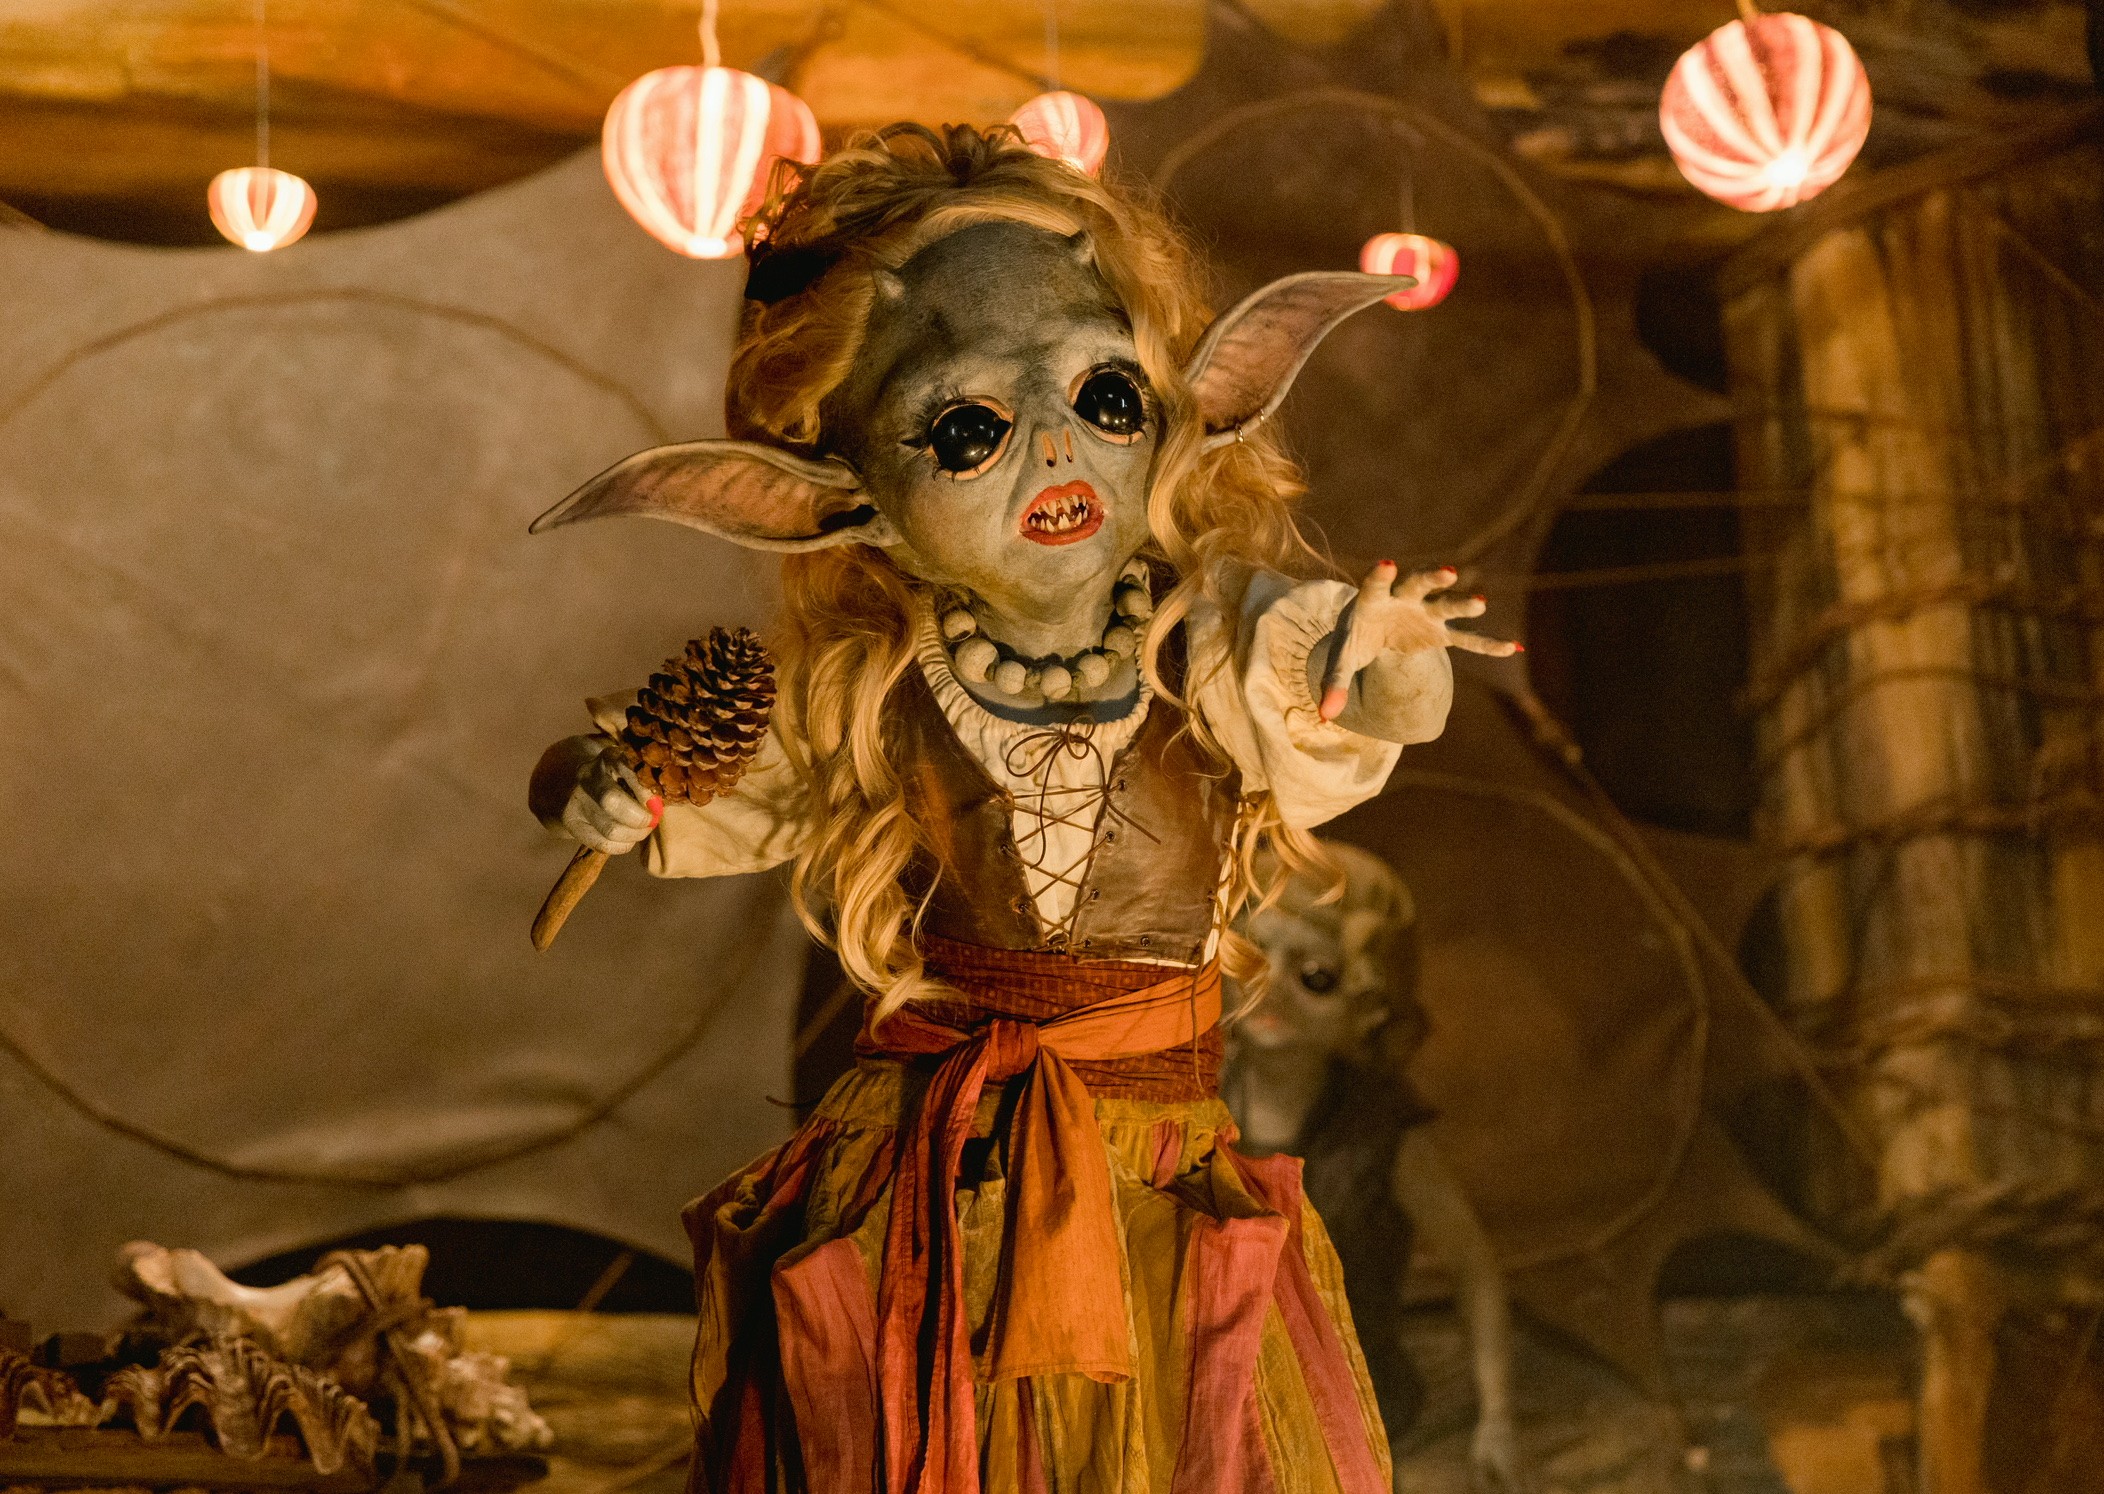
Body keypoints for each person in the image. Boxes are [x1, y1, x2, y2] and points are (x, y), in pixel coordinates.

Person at [527, 122, 1514, 1494]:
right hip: (930, 1208)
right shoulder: (863, 692)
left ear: (1189, 409)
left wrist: (1396, 662)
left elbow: (1368, 705)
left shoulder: (1224, 647)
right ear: (839, 499)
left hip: (1161, 1196)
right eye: (968, 427)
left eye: (1104, 395)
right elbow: (658, 792)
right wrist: (598, 791)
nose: (1055, 446)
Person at [1228, 842, 1523, 1492]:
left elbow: (1474, 1269)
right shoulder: (1196, 1099)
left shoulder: (1381, 1131)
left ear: (1370, 998)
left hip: (1353, 1422)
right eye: (1252, 959)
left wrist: (1496, 1418)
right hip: (1217, 1417)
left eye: (1315, 975)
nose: (1271, 988)